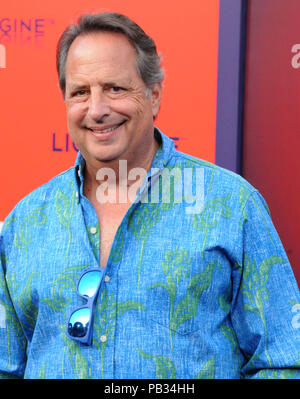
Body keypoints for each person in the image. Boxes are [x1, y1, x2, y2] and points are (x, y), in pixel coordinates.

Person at [0, 12, 299, 380]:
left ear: (153, 95)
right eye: (81, 92)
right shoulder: (24, 224)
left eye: (115, 88)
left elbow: (284, 360)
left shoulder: (232, 206)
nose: (97, 109)